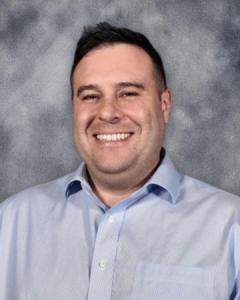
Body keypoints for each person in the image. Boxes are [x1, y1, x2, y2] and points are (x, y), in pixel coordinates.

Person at [0, 22, 240, 300]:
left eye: (128, 93)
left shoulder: (232, 228)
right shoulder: (9, 223)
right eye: (90, 96)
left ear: (164, 105)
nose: (108, 112)